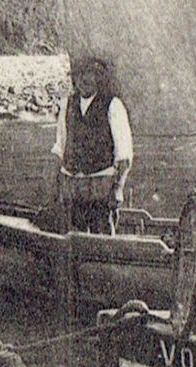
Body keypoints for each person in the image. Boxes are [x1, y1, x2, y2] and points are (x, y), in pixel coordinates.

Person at [48, 55, 133, 234]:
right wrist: (54, 182)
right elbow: (60, 147)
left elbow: (124, 155)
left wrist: (118, 189)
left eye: (90, 75)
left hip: (100, 188)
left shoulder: (113, 106)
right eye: (79, 75)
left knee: (101, 236)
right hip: (72, 187)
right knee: (72, 236)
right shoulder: (67, 105)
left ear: (98, 78)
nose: (84, 80)